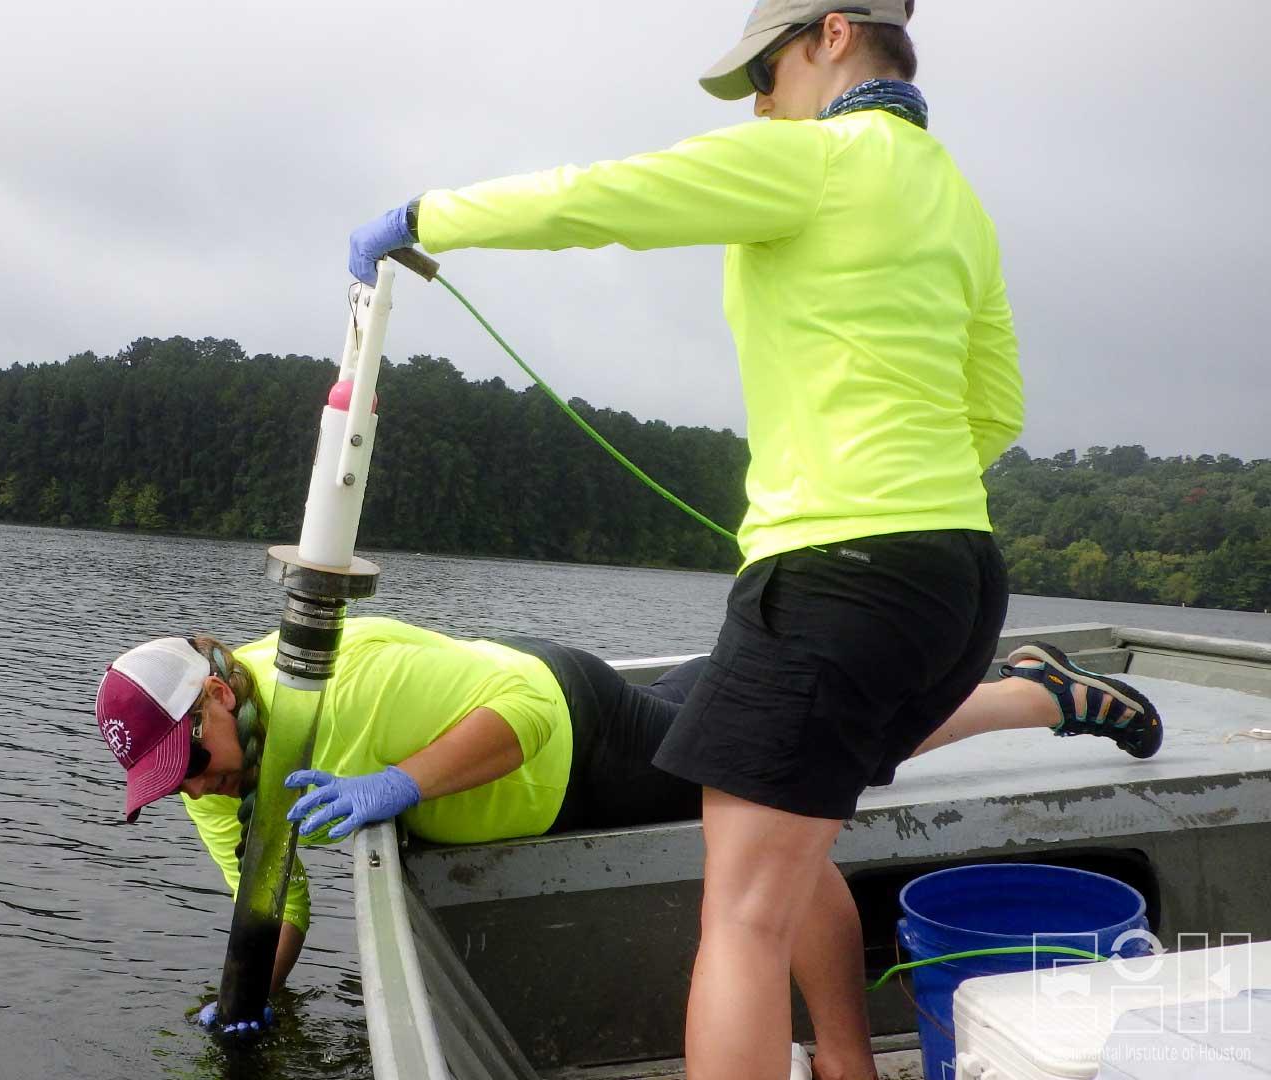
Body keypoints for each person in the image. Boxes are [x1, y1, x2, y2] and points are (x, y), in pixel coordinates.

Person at [340, 5, 1056, 1075]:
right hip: (957, 580)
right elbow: (996, 408)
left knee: (740, 922)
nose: (761, 102)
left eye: (765, 71)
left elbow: (605, 198)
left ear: (830, 35)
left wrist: (428, 214)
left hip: (835, 579)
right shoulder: (955, 196)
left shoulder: (817, 157)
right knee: (788, 860)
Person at [94, 618, 1160, 1052]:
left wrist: (398, 783)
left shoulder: (338, 668)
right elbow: (272, 898)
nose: (192, 785)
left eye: (188, 758)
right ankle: (1022, 683)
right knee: (747, 711)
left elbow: (526, 717)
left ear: (217, 701)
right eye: (167, 782)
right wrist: (249, 997)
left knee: (795, 768)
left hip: (575, 734)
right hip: (546, 720)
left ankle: (1033, 698)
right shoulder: (213, 784)